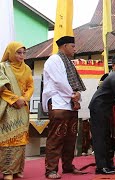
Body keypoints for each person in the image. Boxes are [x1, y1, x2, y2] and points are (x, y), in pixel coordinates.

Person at [42, 36, 87, 179]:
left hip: (69, 104)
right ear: (65, 46)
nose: (75, 49)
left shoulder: (68, 62)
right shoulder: (54, 60)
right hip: (57, 103)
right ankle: (51, 170)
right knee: (56, 137)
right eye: (73, 46)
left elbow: (73, 84)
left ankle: (68, 166)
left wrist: (77, 95)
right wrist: (73, 95)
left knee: (70, 137)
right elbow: (59, 81)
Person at [0, 42, 34, 180]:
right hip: (8, 107)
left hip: (22, 108)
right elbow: (2, 88)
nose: (21, 55)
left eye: (23, 53)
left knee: (20, 139)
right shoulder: (2, 67)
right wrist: (15, 99)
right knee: (8, 139)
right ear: (10, 53)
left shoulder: (26, 68)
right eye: (18, 53)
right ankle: (7, 171)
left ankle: (17, 170)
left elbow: (30, 86)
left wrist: (24, 98)